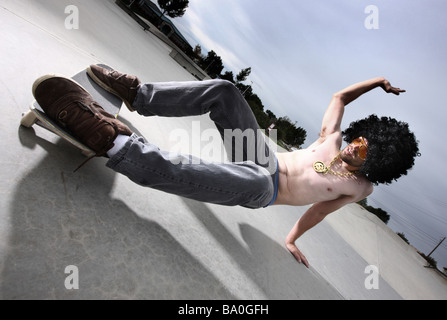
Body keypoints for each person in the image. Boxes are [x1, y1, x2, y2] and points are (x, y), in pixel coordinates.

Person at [32, 65, 420, 267]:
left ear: (379, 164)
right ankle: (137, 94)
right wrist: (377, 82)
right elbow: (339, 97)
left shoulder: (359, 189)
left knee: (254, 182)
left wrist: (291, 240)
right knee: (226, 92)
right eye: (358, 140)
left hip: (263, 191)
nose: (353, 149)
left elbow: (320, 210)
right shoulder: (331, 139)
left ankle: (112, 142)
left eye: (364, 153)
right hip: (260, 157)